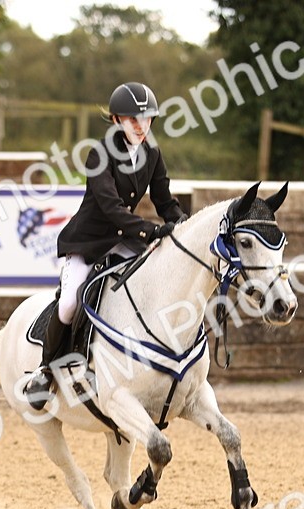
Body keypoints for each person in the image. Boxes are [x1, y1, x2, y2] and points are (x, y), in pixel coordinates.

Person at [24, 81, 188, 410]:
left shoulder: (152, 153)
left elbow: (165, 201)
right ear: (116, 120)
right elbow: (111, 207)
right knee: (70, 302)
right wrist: (148, 231)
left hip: (125, 239)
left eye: (147, 119)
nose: (142, 126)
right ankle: (46, 369)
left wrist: (183, 227)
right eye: (133, 120)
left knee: (153, 282)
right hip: (90, 241)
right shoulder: (99, 154)